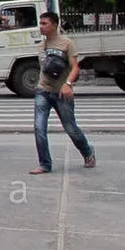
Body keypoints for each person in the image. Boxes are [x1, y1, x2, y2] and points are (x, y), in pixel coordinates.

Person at [30, 11, 95, 174]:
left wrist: (67, 83)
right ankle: (45, 164)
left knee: (71, 128)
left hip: (62, 92)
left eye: (45, 23)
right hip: (43, 91)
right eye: (40, 23)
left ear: (54, 25)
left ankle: (88, 152)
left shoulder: (66, 43)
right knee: (39, 128)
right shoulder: (41, 46)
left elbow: (75, 68)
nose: (41, 26)